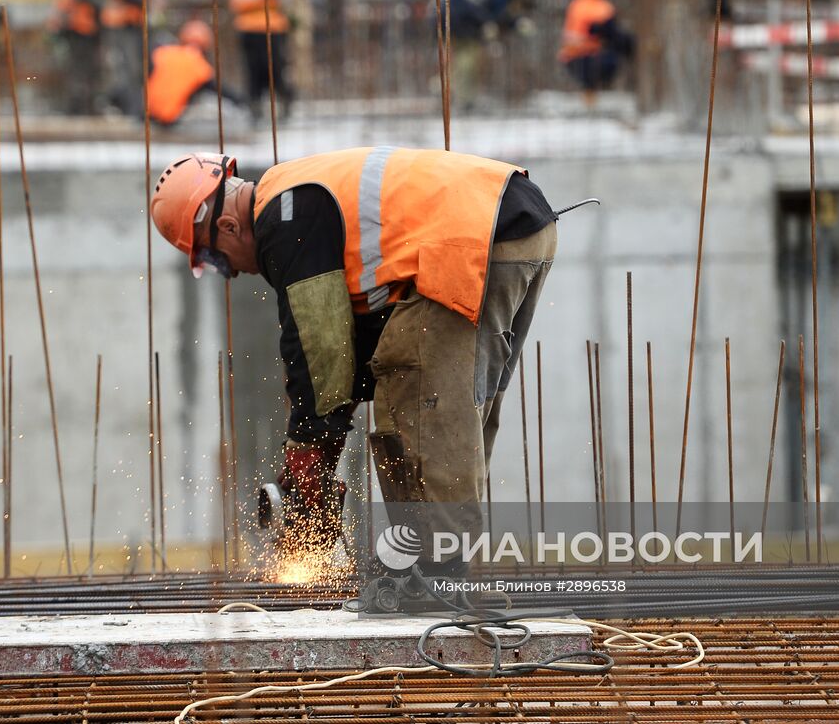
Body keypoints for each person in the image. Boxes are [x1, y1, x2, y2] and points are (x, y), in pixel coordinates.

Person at [150, 147, 559, 568]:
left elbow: (319, 348)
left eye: (216, 259)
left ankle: (437, 570)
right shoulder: (292, 195)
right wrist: (319, 447)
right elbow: (351, 353)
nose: (231, 272)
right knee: (457, 404)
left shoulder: (282, 220)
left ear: (227, 225)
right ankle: (439, 559)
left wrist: (308, 448)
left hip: (475, 238)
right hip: (518, 226)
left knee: (416, 388)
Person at [447, 0, 543, 106]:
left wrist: (515, 23)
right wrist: (487, 23)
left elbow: (497, 14)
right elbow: (470, 6)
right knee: (466, 59)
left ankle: (459, 96)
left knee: (468, 60)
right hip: (456, 23)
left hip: (466, 25)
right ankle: (459, 99)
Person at [137, 21, 245, 125]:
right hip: (168, 117)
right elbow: (221, 89)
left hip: (145, 112)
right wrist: (243, 101)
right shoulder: (198, 64)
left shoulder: (163, 53)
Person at [559, 0, 634, 98]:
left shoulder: (577, 4)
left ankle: (591, 94)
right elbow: (612, 35)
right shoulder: (601, 7)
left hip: (570, 59)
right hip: (590, 59)